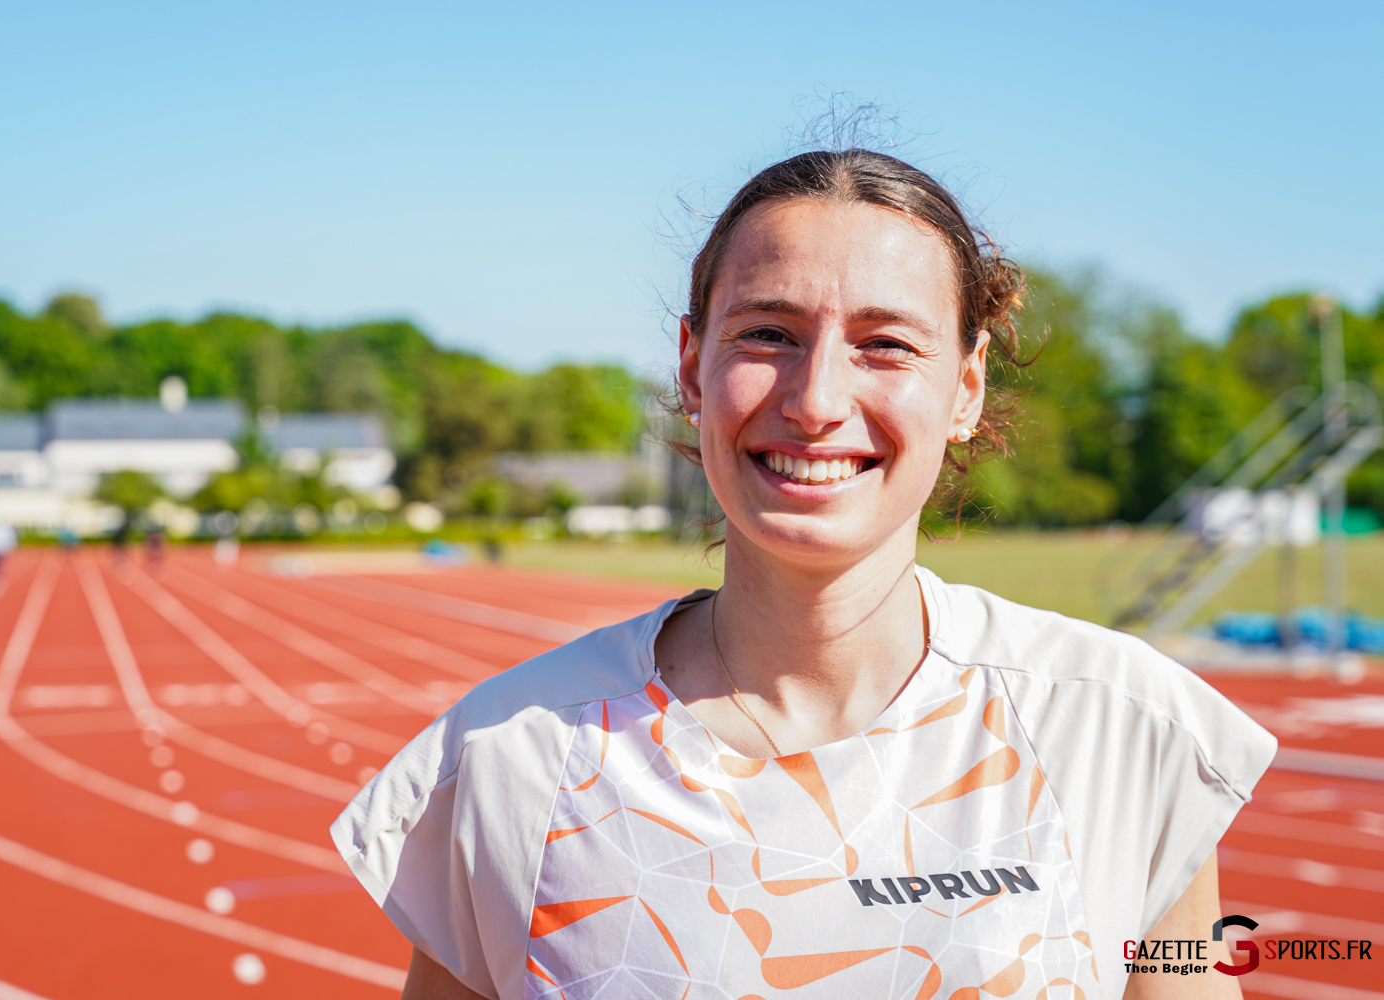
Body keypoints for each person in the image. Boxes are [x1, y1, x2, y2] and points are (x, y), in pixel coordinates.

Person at [332, 149, 1276, 999]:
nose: (818, 399)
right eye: (768, 335)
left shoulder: (1126, 731)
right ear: (693, 365)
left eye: (887, 344)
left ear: (968, 388)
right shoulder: (507, 759)